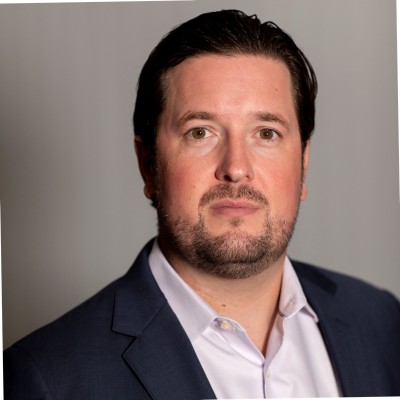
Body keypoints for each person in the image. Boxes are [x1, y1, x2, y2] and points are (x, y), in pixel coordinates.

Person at [4, 9, 400, 399]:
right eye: (200, 132)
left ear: (303, 163)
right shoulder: (46, 380)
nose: (236, 168)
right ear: (148, 165)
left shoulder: (383, 322)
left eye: (266, 133)